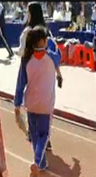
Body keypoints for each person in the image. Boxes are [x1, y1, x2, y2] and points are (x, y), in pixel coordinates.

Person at [14, 27, 60, 177]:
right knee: (44, 135)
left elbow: (20, 85)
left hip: (31, 103)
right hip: (46, 104)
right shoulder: (51, 57)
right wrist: (53, 42)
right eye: (45, 39)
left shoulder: (26, 60)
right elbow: (59, 54)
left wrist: (17, 104)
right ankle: (37, 161)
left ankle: (41, 162)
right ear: (41, 41)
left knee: (34, 135)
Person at [17, 2, 61, 150]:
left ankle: (36, 134)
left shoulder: (28, 32)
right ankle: (45, 137)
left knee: (33, 102)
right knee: (47, 103)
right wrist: (58, 72)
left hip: (33, 70)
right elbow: (55, 52)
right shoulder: (46, 32)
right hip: (47, 73)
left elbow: (22, 51)